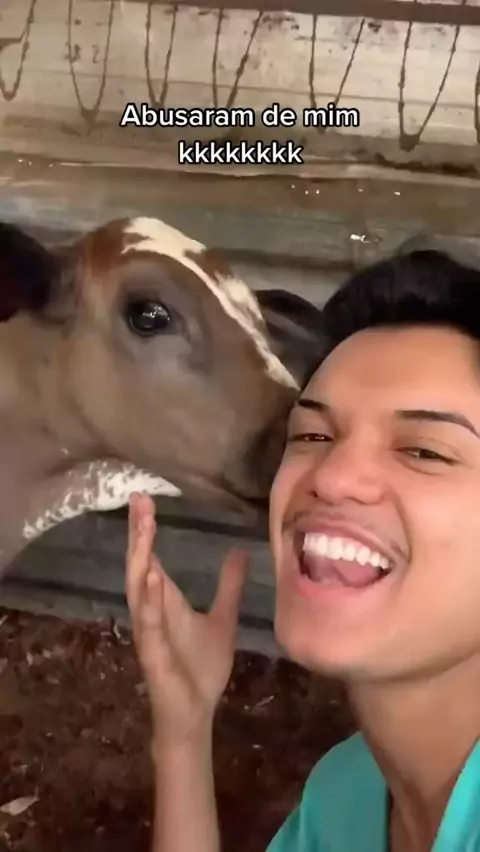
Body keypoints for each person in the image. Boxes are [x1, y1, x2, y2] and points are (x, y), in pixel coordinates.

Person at [125, 247, 480, 852]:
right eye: (313, 434)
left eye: (424, 451)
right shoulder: (348, 793)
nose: (331, 476)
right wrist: (184, 729)